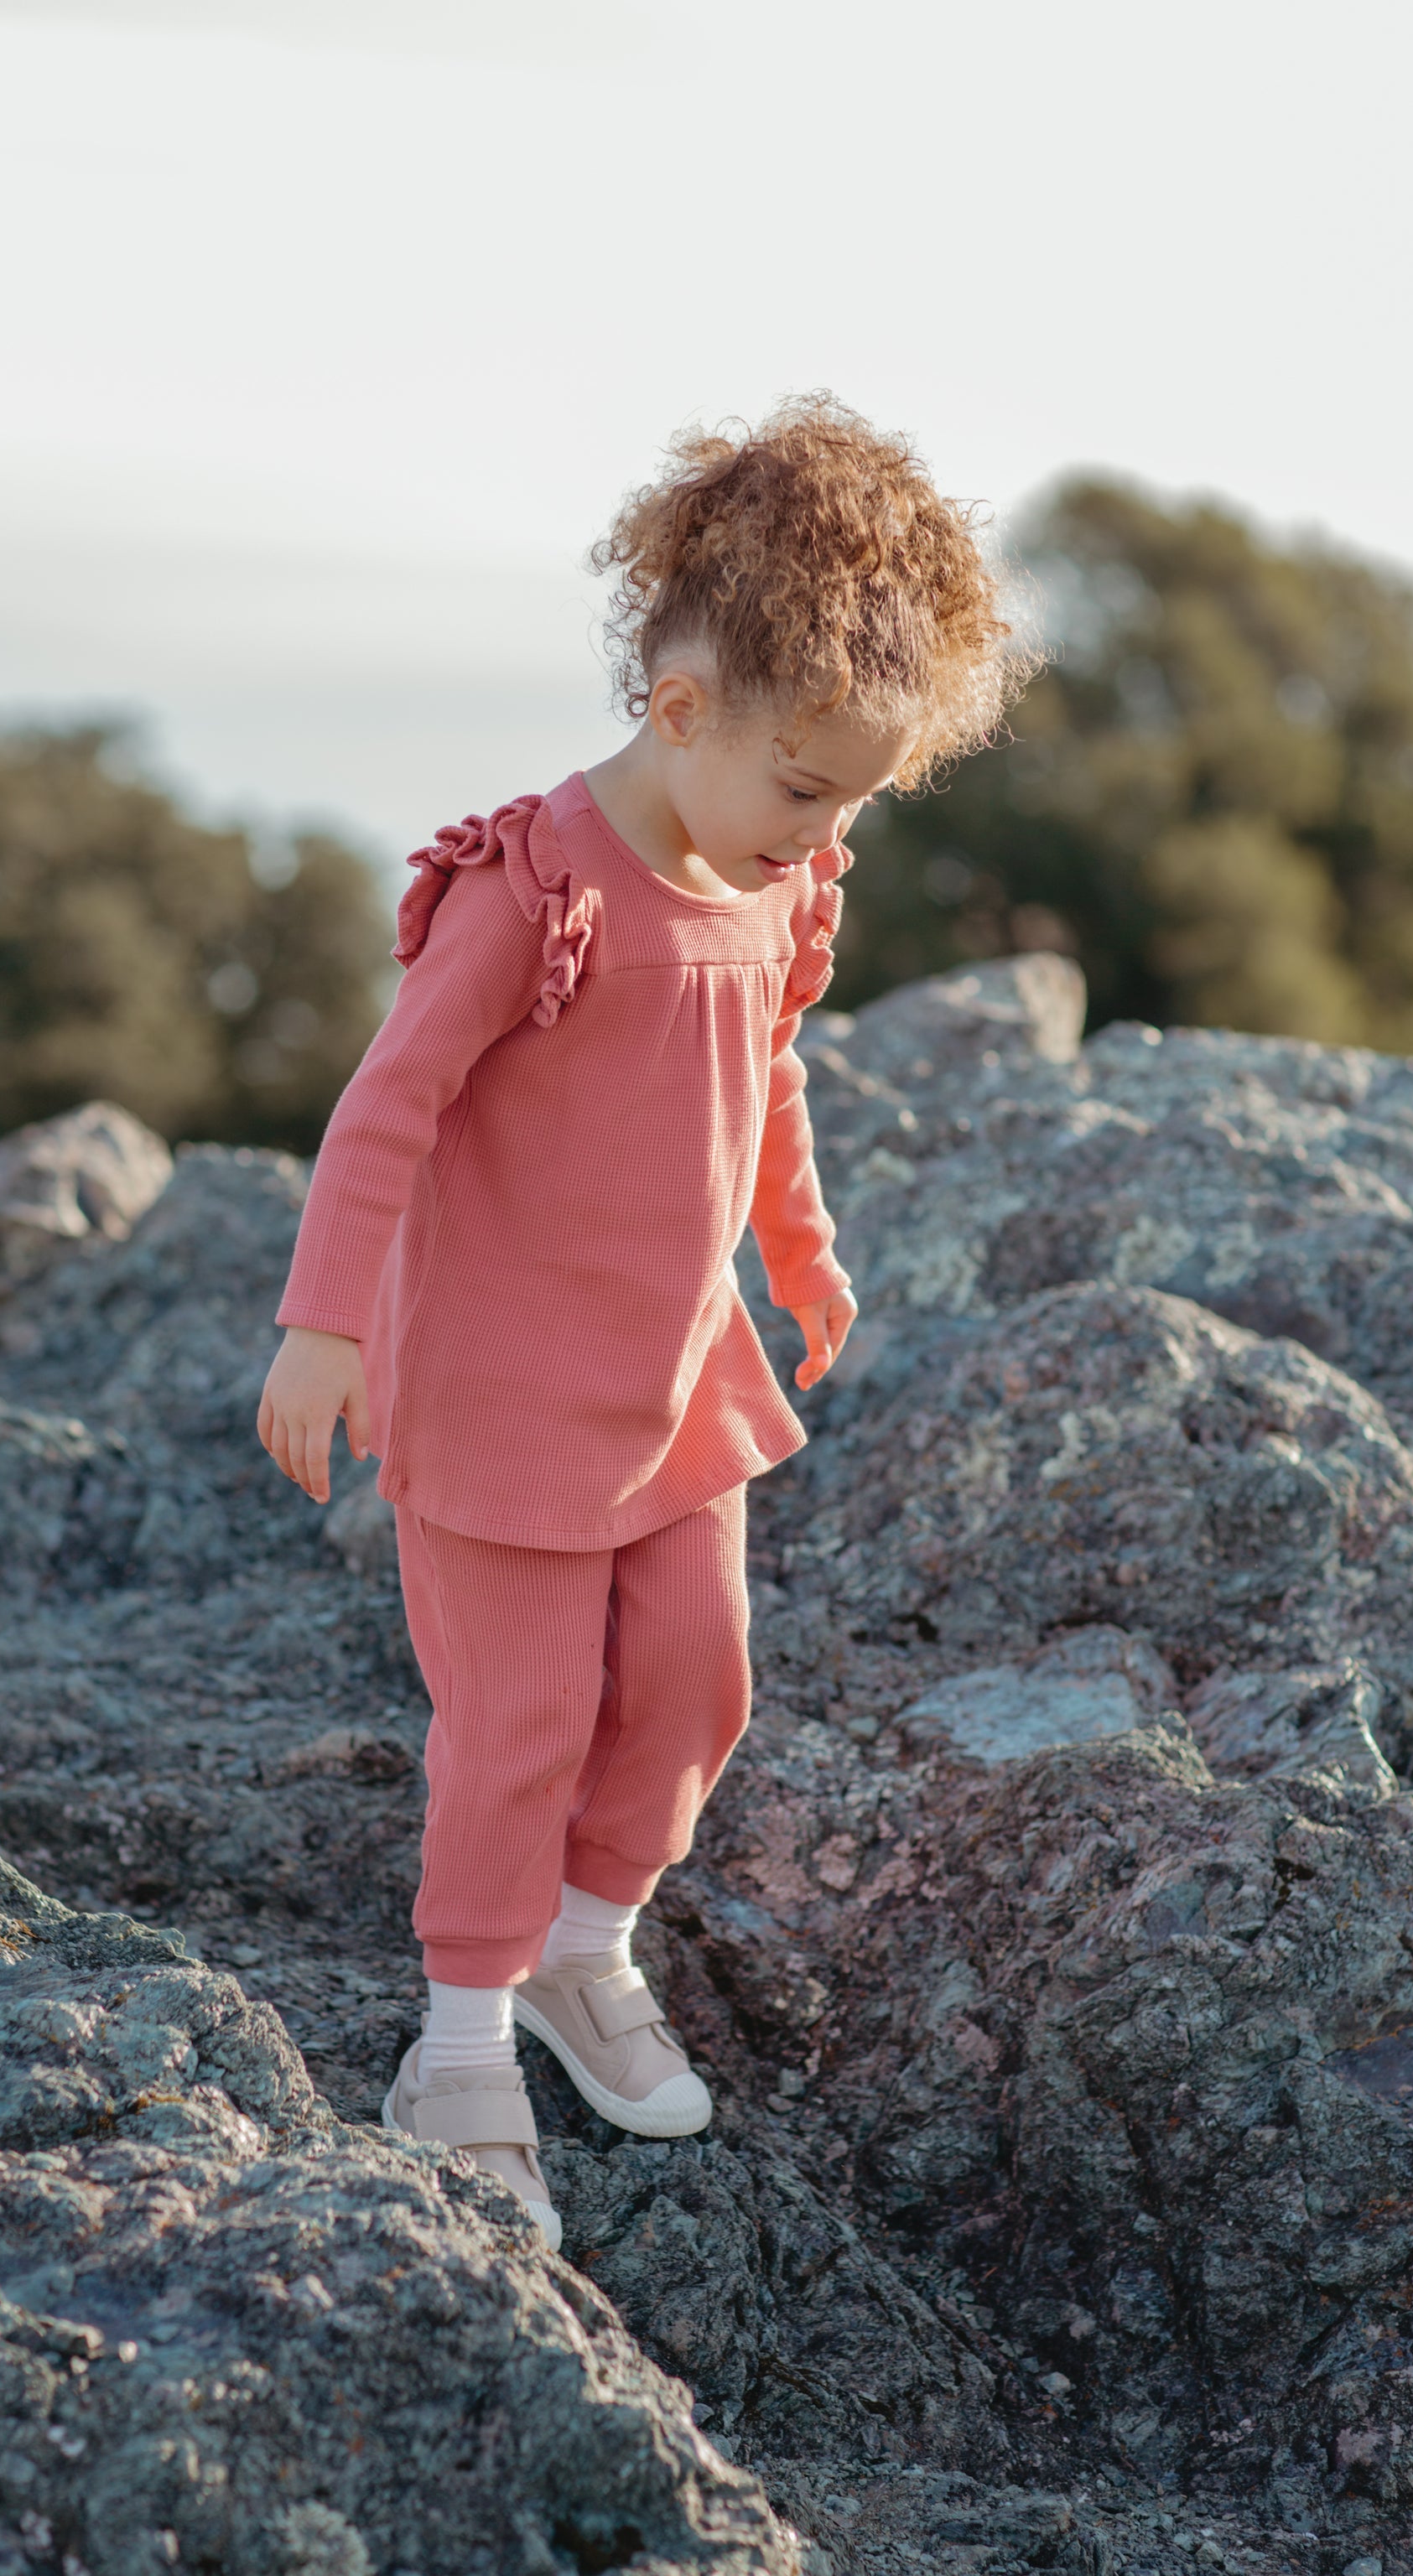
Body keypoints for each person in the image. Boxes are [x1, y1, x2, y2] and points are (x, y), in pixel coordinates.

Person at [257, 394, 1020, 2247]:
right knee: (517, 1719)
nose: (827, 831)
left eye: (856, 799)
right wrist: (323, 1325)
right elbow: (387, 1109)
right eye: (808, 786)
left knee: (693, 1682)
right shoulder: (531, 896)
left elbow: (767, 1076)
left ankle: (584, 1953)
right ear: (683, 709)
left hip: (680, 1375)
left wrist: (804, 1250)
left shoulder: (769, 878)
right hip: (506, 1396)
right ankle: (455, 2047)